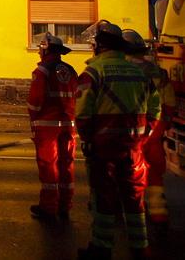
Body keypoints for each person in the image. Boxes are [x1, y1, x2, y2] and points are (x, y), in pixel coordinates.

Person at [76, 20, 160, 260]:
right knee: (134, 200)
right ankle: (140, 247)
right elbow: (155, 107)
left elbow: (82, 114)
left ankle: (101, 248)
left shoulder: (93, 73)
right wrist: (144, 135)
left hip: (103, 149)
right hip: (133, 147)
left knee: (104, 199)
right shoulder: (139, 73)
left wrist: (88, 140)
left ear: (98, 46)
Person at [122, 29, 177, 231]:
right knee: (154, 170)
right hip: (155, 126)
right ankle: (159, 214)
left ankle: (133, 213)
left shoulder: (122, 70)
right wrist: (164, 124)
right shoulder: (156, 72)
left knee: (129, 169)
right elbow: (169, 101)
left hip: (132, 126)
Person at [27, 32, 78, 222]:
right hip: (68, 125)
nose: (39, 52)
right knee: (66, 166)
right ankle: (65, 206)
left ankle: (49, 208)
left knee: (49, 167)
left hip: (47, 127)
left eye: (41, 48)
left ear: (46, 49)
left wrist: (34, 120)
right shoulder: (71, 70)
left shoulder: (42, 71)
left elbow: (35, 102)